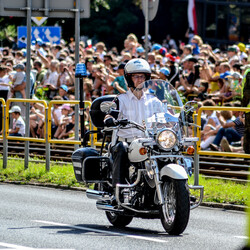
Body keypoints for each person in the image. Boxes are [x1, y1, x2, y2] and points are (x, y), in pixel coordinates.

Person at [104, 58, 154, 189]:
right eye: (136, 76)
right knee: (122, 148)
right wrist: (109, 119)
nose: (139, 80)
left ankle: (180, 189)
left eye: (142, 76)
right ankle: (118, 191)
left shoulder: (153, 100)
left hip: (148, 142)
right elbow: (110, 113)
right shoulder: (121, 99)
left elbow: (167, 115)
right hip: (128, 142)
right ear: (129, 78)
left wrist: (178, 117)